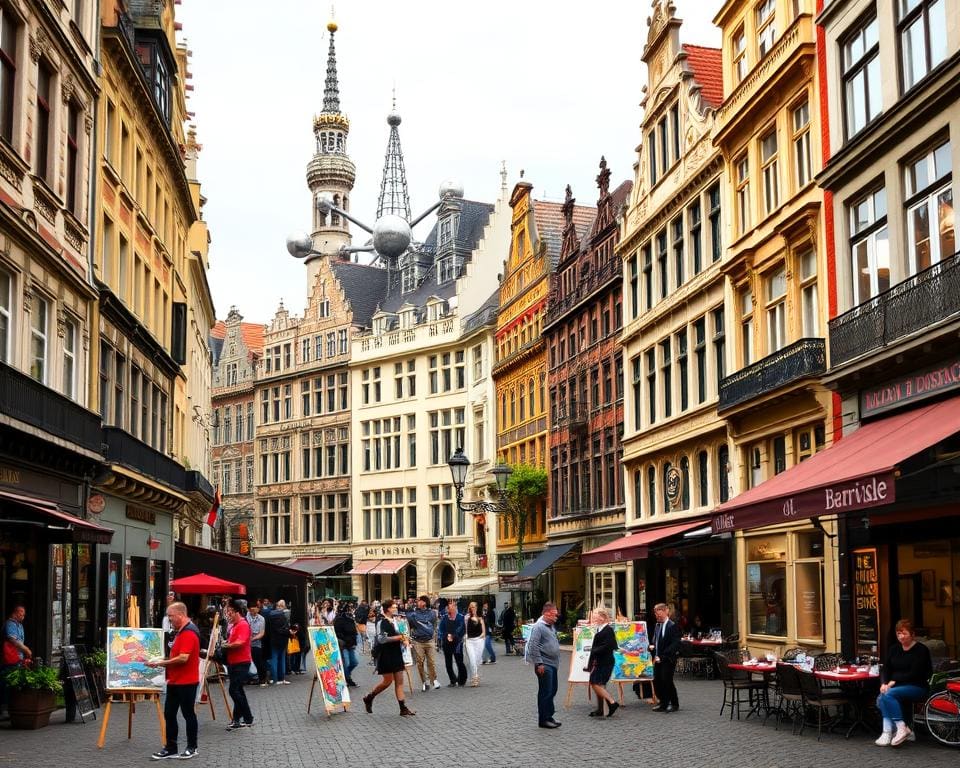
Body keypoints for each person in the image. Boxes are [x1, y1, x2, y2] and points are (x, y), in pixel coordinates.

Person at [147, 602, 200, 760]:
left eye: (171, 616)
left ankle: (192, 747)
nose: (169, 619)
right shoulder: (180, 631)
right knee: (169, 714)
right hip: (175, 681)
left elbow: (183, 658)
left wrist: (160, 663)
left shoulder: (189, 632)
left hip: (187, 681)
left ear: (180, 615)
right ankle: (171, 748)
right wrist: (161, 660)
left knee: (188, 714)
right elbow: (176, 656)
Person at [875, 618, 933, 747]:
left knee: (888, 695)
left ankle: (900, 728)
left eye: (904, 633)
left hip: (917, 686)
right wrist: (884, 683)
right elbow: (886, 669)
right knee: (884, 694)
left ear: (912, 634)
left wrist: (893, 681)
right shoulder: (894, 649)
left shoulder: (921, 650)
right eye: (898, 634)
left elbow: (915, 673)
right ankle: (890, 731)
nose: (901, 637)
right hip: (897, 686)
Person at [362, 599, 415, 716]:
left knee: (400, 681)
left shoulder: (396, 620)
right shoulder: (381, 621)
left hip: (396, 653)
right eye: (393, 607)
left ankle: (403, 708)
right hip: (386, 654)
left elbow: (402, 634)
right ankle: (369, 697)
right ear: (387, 609)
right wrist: (398, 638)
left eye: (396, 607)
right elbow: (381, 639)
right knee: (387, 681)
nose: (395, 609)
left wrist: (405, 639)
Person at [222, 599, 254, 730]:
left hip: (241, 662)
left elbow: (240, 642)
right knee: (238, 690)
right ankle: (237, 719)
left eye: (230, 612)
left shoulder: (242, 625)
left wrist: (226, 645)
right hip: (234, 662)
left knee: (234, 690)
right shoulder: (235, 625)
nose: (228, 615)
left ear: (236, 612)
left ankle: (247, 717)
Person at [528, 602, 561, 728]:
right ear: (546, 614)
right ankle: (543, 719)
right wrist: (539, 663)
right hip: (544, 664)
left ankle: (549, 716)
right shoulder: (538, 627)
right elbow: (533, 646)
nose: (556, 617)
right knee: (545, 692)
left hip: (553, 664)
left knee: (552, 690)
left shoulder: (550, 626)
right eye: (554, 615)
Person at [585, 607, 619, 718]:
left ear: (602, 617)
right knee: (598, 684)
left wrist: (594, 650)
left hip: (605, 662)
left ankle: (612, 702)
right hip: (600, 661)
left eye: (595, 615)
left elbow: (609, 646)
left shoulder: (608, 630)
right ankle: (600, 709)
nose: (593, 617)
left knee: (595, 683)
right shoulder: (600, 629)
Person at [649, 602, 681, 713]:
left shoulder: (672, 626)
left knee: (667, 680)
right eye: (656, 615)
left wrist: (663, 655)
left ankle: (674, 703)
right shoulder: (657, 626)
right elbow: (655, 640)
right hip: (657, 658)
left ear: (666, 611)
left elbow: (675, 643)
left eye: (659, 614)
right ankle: (663, 702)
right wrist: (651, 646)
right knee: (656, 680)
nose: (657, 616)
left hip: (668, 659)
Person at [1, 605, 31, 719]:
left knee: (14, 683)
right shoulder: (10, 624)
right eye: (21, 614)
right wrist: (26, 649)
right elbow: (13, 640)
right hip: (9, 659)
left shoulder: (20, 625)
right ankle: (4, 709)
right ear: (16, 613)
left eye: (24, 614)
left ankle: (11, 708)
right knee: (7, 683)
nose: (23, 616)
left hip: (18, 658)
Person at [407, 595, 440, 691]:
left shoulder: (432, 613)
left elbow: (434, 625)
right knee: (420, 663)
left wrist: (434, 636)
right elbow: (409, 626)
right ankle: (424, 682)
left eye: (419, 601)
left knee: (431, 662)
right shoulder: (413, 614)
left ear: (424, 603)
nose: (417, 602)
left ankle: (434, 680)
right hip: (418, 642)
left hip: (430, 641)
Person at [438, 601, 467, 687]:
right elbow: (441, 628)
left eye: (450, 607)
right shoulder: (445, 617)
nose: (448, 609)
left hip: (457, 642)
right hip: (447, 642)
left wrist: (453, 635)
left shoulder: (460, 617)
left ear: (455, 607)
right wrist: (445, 636)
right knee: (448, 663)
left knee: (459, 661)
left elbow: (461, 628)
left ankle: (462, 680)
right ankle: (452, 680)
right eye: (448, 608)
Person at [333, 603, 359, 687]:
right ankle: (347, 679)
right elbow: (337, 633)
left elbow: (354, 632)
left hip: (350, 644)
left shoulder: (351, 619)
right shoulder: (338, 620)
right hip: (343, 645)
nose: (351, 610)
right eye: (349, 609)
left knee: (354, 662)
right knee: (346, 663)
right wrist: (346, 640)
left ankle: (346, 676)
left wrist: (354, 643)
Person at [266, 599, 290, 684]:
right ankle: (282, 678)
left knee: (274, 659)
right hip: (283, 640)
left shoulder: (270, 615)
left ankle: (274, 678)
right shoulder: (285, 616)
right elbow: (286, 629)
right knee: (282, 659)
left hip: (273, 640)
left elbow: (268, 629)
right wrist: (289, 632)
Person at [463, 602, 485, 686]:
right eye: (471, 607)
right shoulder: (466, 618)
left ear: (476, 607)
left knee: (477, 660)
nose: (472, 608)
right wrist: (465, 636)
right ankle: (474, 678)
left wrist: (481, 638)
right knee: (472, 660)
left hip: (479, 641)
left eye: (474, 607)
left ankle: (475, 674)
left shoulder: (480, 618)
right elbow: (465, 629)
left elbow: (483, 632)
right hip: (469, 641)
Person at [246, 603, 267, 686]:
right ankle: (248, 679)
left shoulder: (261, 619)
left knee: (258, 661)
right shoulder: (245, 618)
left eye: (255, 609)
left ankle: (261, 679)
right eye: (251, 609)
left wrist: (252, 639)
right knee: (246, 662)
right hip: (246, 644)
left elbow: (262, 633)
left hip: (256, 643)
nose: (253, 611)